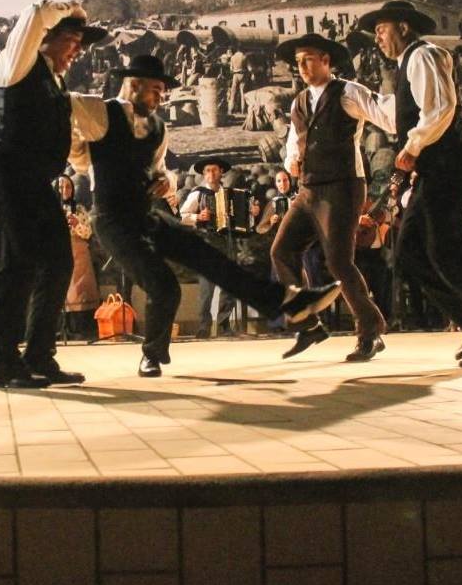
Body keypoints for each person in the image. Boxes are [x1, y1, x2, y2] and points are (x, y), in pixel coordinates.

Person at [69, 53, 342, 378]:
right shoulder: (101, 112)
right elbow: (62, 108)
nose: (160, 98)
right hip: (113, 221)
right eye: (155, 90)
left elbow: (160, 170)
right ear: (134, 84)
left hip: (145, 214)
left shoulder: (157, 127)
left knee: (213, 259)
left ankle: (294, 307)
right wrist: (78, 156)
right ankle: (151, 356)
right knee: (163, 285)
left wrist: (163, 182)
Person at [358, 0, 462, 367]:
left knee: (447, 252)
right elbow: (396, 115)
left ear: (402, 26)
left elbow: (441, 109)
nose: (377, 38)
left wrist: (412, 146)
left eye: (381, 29)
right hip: (433, 170)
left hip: (446, 165)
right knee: (410, 254)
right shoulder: (403, 66)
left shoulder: (423, 55)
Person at [0, 0, 108, 388]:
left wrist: (93, 170)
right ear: (46, 37)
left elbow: (70, 143)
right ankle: (2, 364)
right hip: (5, 176)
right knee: (15, 266)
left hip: (37, 182)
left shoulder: (55, 83)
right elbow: (34, 15)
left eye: (80, 44)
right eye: (72, 40)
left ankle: (39, 354)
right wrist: (71, 9)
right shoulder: (15, 63)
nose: (77, 50)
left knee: (58, 262)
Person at [270, 33, 391, 362]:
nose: (303, 67)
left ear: (326, 60)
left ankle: (371, 331)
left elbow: (386, 115)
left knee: (338, 261)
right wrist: (291, 160)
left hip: (343, 185)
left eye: (308, 59)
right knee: (282, 251)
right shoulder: (299, 101)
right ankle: (308, 324)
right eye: (298, 62)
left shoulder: (348, 92)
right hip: (308, 188)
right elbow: (294, 141)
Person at [179, 157, 238, 338]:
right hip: (206, 241)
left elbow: (241, 219)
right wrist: (198, 217)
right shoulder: (198, 193)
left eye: (214, 170)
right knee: (206, 288)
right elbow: (183, 215)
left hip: (227, 241)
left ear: (221, 172)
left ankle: (224, 324)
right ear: (204, 174)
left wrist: (251, 213)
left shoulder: (231, 194)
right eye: (207, 171)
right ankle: (204, 326)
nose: (211, 174)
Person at [56, 173, 101, 338]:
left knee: (80, 291)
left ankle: (79, 330)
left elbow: (88, 233)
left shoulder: (79, 209)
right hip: (58, 253)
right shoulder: (51, 208)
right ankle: (61, 329)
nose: (65, 190)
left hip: (78, 254)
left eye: (68, 187)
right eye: (61, 187)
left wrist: (76, 224)